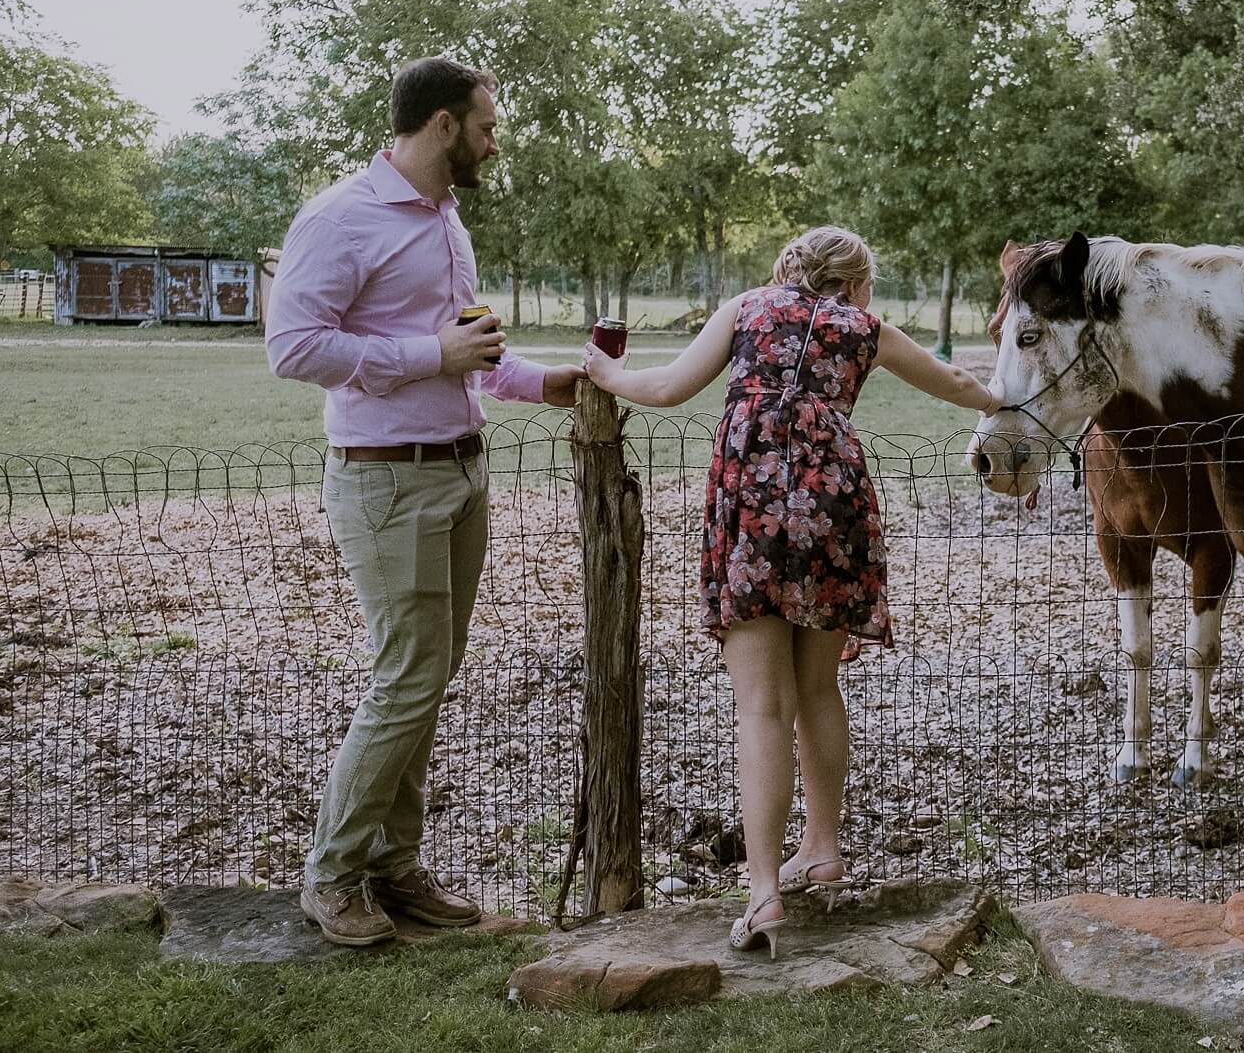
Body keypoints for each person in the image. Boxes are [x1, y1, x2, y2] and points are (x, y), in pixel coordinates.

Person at [582, 226, 997, 958]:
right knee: (817, 690)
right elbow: (958, 385)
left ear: (788, 270)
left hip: (752, 511)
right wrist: (1007, 398)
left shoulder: (746, 308)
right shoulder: (867, 327)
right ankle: (823, 845)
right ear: (856, 283)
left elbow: (670, 386)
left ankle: (766, 889)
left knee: (762, 705)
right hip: (833, 510)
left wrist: (605, 375)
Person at [267, 56, 584, 946]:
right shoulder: (341, 216)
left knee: (426, 678)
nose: (494, 141)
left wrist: (543, 381)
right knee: (406, 676)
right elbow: (293, 347)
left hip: (460, 467)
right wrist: (427, 356)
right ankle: (331, 875)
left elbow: (467, 350)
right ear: (443, 123)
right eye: (487, 125)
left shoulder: (446, 219)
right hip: (385, 476)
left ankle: (395, 867)